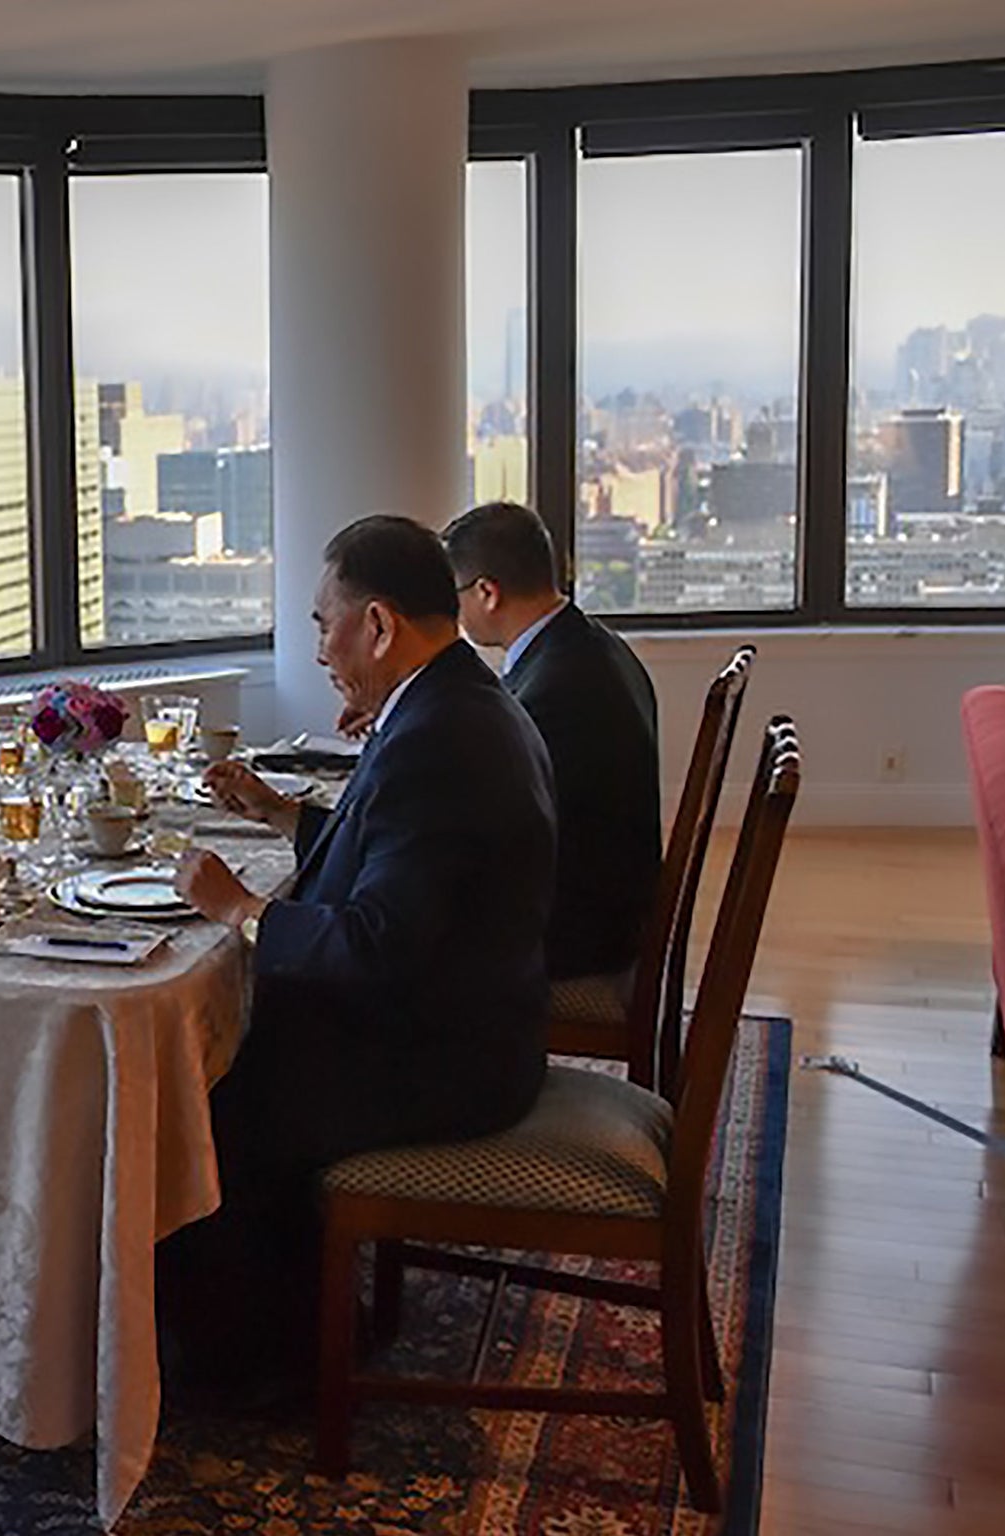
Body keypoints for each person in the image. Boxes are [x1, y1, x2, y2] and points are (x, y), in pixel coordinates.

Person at [163, 514, 556, 1390]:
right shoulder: (455, 701)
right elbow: (393, 862)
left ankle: (257, 1370)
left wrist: (242, 910)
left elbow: (379, 941)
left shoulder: (439, 740)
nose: (315, 650)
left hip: (444, 1060)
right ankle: (277, 1324)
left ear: (376, 625)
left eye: (319, 623)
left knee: (198, 1091)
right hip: (470, 1017)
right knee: (217, 1047)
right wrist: (281, 815)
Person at [442, 500, 660, 981]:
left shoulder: (555, 688)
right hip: (612, 906)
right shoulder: (591, 645)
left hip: (577, 935)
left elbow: (489, 824)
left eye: (452, 594)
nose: (452, 612)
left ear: (486, 593)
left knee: (402, 934)